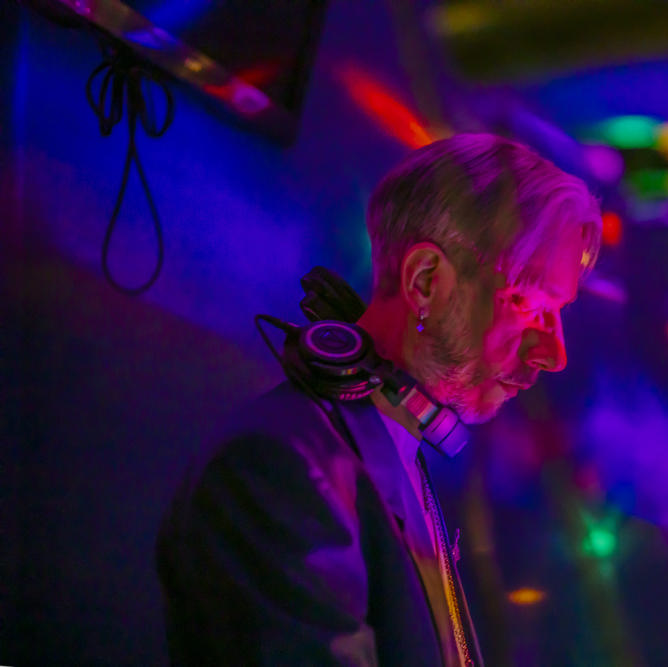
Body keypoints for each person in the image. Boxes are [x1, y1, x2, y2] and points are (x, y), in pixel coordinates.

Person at [156, 133, 602, 665]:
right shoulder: (278, 465)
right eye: (528, 303)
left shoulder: (399, 460)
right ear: (425, 281)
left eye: (558, 313)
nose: (555, 353)